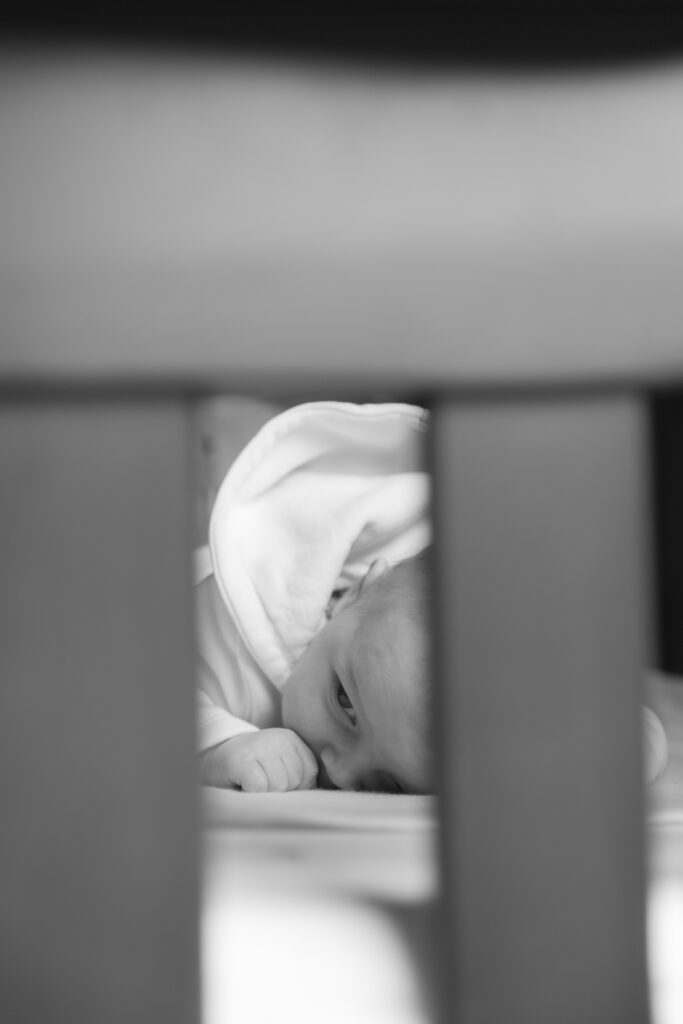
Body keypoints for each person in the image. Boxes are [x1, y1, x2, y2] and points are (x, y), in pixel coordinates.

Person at [194, 400, 433, 794]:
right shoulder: (250, 613)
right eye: (343, 700)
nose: (339, 771)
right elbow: (143, 686)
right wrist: (222, 744)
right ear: (356, 593)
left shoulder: (365, 645)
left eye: (385, 784)